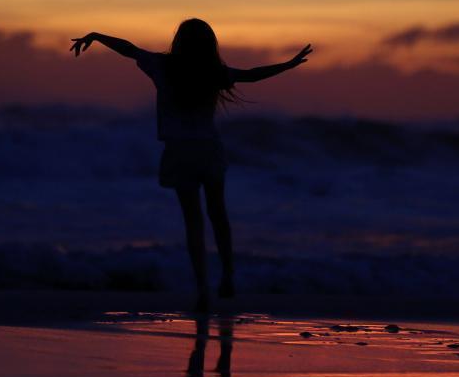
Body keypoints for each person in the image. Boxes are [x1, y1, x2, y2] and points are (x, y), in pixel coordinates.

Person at [70, 18, 312, 311]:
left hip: (179, 151)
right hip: (208, 150)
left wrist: (96, 35)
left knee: (193, 221)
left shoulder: (162, 66)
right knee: (218, 215)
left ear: (179, 41)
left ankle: (202, 289)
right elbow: (252, 75)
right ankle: (227, 275)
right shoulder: (214, 73)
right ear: (209, 44)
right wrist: (287, 65)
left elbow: (129, 49)